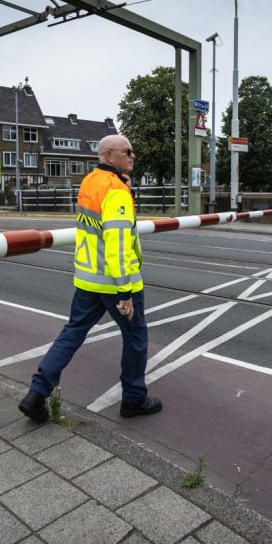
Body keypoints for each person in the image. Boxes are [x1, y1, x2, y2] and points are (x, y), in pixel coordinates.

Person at [19, 135, 161, 422]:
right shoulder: (116, 190)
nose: (133, 155)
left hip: (87, 279)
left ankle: (36, 393)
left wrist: (125, 188)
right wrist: (124, 292)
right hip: (115, 282)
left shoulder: (90, 182)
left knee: (72, 333)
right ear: (110, 155)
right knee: (136, 338)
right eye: (127, 151)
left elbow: (95, 229)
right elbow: (118, 242)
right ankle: (134, 399)